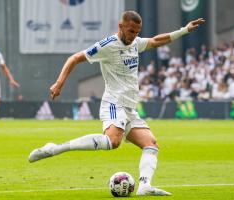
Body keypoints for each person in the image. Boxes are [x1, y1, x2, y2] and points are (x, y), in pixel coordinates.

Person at [28, 11, 204, 196]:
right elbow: (75, 58)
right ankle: (54, 148)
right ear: (121, 27)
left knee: (151, 144)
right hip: (113, 103)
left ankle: (144, 186)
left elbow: (155, 41)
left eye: (137, 32)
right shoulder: (107, 45)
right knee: (113, 141)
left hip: (129, 108)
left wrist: (184, 30)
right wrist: (59, 83)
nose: (134, 35)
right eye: (131, 31)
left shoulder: (135, 42)